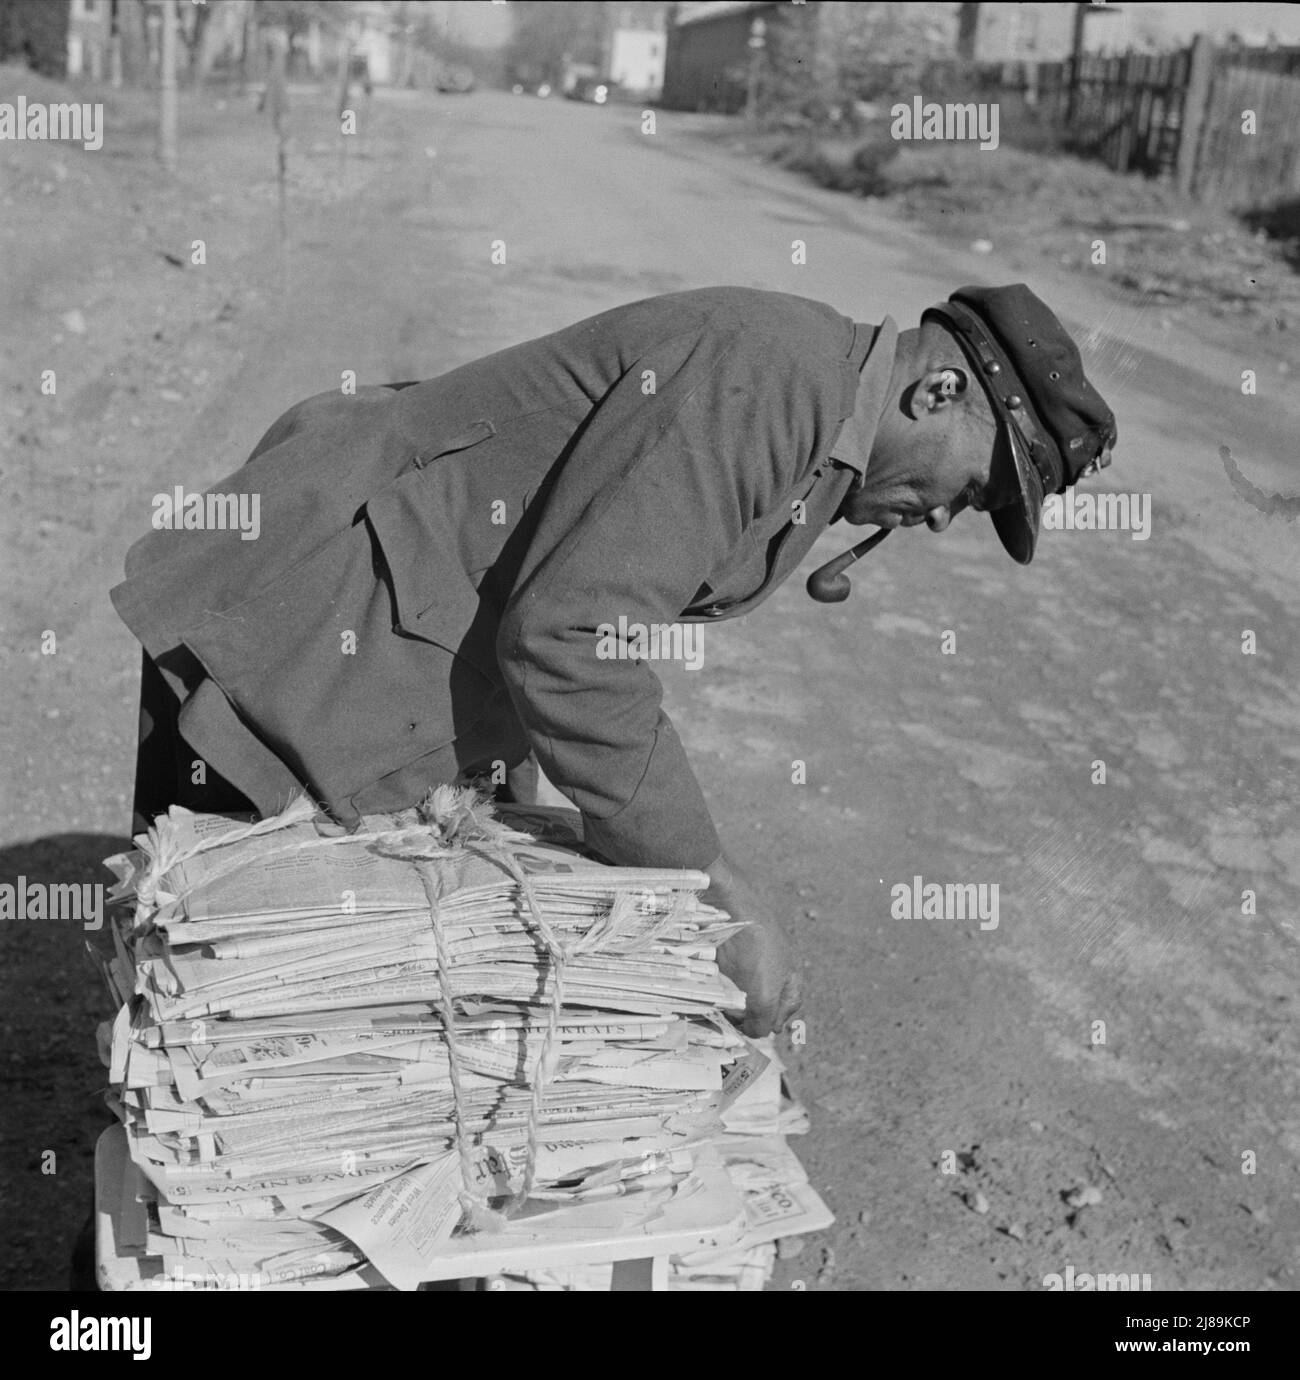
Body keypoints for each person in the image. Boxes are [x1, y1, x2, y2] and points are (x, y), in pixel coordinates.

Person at [111, 284, 1116, 1037]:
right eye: (971, 492)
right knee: (220, 1019)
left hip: (393, 671)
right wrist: (712, 881)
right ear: (937, 390)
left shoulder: (814, 417)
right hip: (295, 639)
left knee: (368, 1015)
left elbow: (572, 603)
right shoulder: (766, 379)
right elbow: (574, 637)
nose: (943, 520)